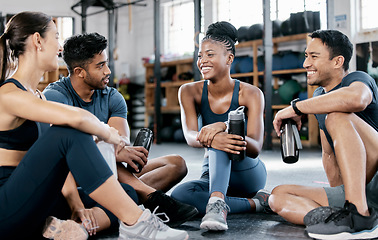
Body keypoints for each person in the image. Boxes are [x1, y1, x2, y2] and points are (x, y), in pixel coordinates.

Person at [0, 11, 188, 240]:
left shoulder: (38, 96)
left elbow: (54, 165)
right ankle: (137, 222)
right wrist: (108, 134)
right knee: (69, 132)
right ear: (38, 41)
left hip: (36, 199)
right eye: (56, 36)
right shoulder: (8, 94)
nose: (59, 46)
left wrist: (75, 202)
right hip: (7, 207)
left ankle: (68, 227)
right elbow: (77, 119)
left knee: (127, 192)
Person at [42, 32, 198, 228]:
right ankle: (152, 198)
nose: (108, 71)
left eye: (106, 63)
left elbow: (120, 140)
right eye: (100, 66)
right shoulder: (55, 95)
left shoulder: (112, 96)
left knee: (177, 164)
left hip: (110, 168)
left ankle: (129, 196)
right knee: (100, 151)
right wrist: (111, 145)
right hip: (71, 178)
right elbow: (67, 149)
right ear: (80, 71)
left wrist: (121, 148)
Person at [270, 29, 378, 240]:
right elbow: (329, 155)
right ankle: (344, 216)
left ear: (338, 61)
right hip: (358, 190)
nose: (305, 64)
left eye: (314, 56)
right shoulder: (319, 97)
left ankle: (360, 218)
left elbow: (357, 99)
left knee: (337, 116)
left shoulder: (358, 79)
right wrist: (338, 195)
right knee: (278, 196)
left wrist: (296, 108)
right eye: (305, 56)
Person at [170, 21, 270, 231]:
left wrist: (224, 127)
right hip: (212, 173)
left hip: (246, 171)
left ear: (229, 58)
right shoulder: (188, 91)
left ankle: (217, 203)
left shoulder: (251, 93)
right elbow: (189, 135)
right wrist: (212, 134)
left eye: (210, 55)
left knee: (218, 140)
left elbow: (255, 147)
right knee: (180, 196)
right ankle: (257, 203)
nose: (202, 61)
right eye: (200, 56)